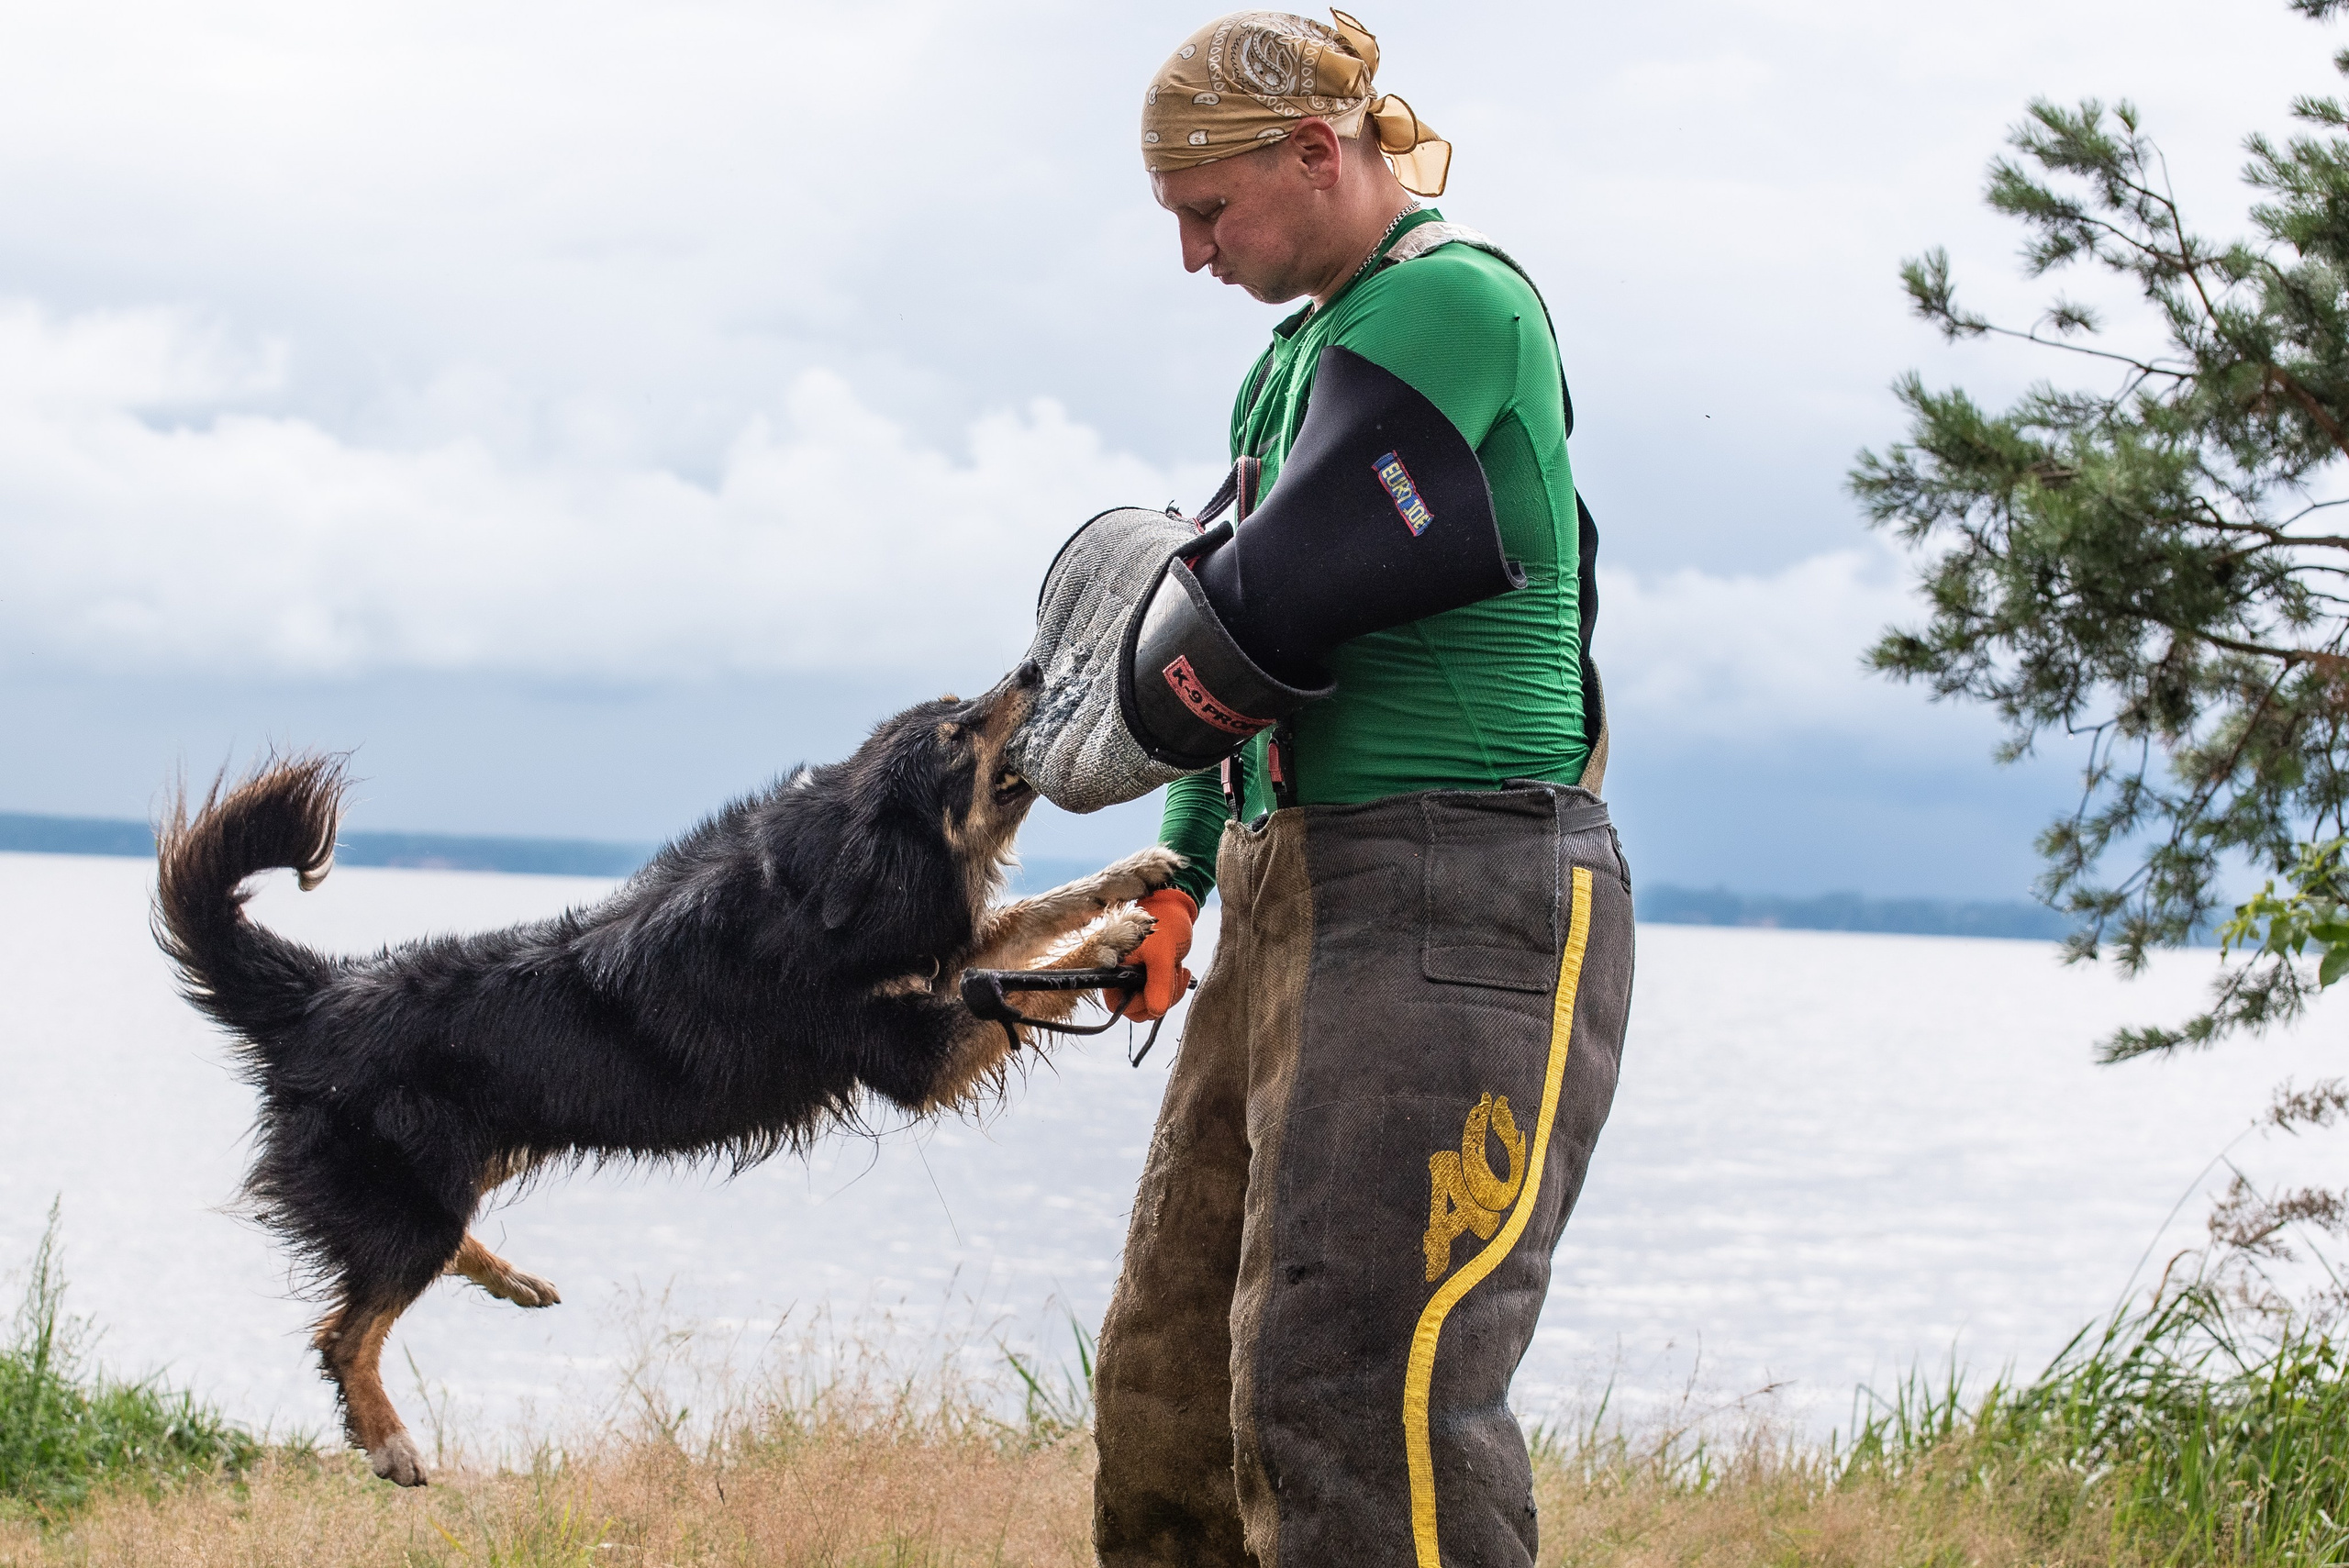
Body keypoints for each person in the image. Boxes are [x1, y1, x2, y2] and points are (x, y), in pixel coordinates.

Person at [1088, 11, 1637, 1567]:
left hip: (1458, 883)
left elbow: (1263, 608)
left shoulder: (1454, 304)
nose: (1195, 256)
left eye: (1210, 212)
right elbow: (1242, 673)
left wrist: (1133, 704)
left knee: (1361, 1388)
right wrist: (1179, 878)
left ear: (1318, 154)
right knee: (1174, 1370)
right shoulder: (1296, 361)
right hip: (1294, 876)